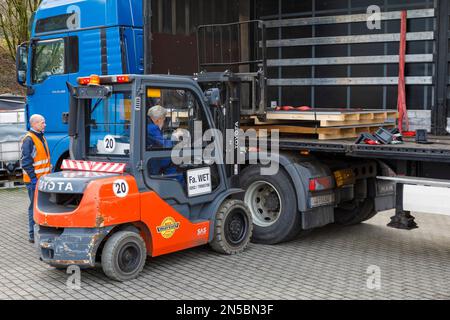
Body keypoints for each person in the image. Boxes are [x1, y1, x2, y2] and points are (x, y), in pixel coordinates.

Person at [21, 114, 51, 244]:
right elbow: (26, 162)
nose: (44, 125)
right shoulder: (29, 139)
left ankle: (42, 231)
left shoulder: (41, 136)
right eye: (42, 122)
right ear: (34, 124)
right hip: (34, 181)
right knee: (33, 207)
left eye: (44, 122)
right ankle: (32, 234)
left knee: (43, 206)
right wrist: (33, 179)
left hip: (43, 180)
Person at [147, 105, 184, 182]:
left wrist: (168, 137)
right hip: (153, 163)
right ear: (159, 120)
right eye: (164, 120)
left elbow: (158, 139)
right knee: (175, 164)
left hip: (153, 160)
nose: (164, 122)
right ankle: (180, 187)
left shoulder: (148, 126)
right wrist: (174, 137)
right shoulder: (152, 128)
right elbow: (164, 145)